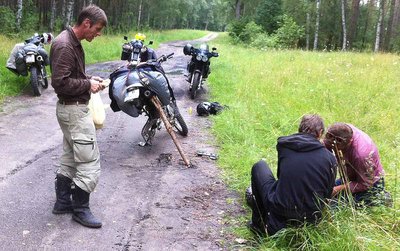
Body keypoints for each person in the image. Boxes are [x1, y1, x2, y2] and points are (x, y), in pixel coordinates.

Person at [50, 4, 107, 228]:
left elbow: (69, 75)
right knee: (89, 161)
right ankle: (80, 209)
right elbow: (60, 83)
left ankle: (63, 202)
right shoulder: (65, 45)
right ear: (86, 23)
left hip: (69, 109)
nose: (98, 34)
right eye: (97, 29)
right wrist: (87, 85)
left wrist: (90, 79)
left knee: (71, 156)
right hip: (73, 111)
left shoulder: (70, 41)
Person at [248, 114, 337, 236]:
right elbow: (327, 194)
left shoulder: (284, 146)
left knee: (259, 166)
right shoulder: (330, 158)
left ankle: (258, 224)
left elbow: (281, 177)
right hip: (310, 222)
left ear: (300, 129)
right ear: (320, 133)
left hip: (279, 216)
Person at [324, 123, 389, 206]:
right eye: (329, 136)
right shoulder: (339, 131)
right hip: (350, 175)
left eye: (339, 142)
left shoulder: (361, 154)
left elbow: (365, 184)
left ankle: (381, 197)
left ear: (350, 141)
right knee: (324, 192)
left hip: (369, 183)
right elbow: (326, 145)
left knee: (334, 205)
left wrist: (337, 189)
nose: (333, 144)